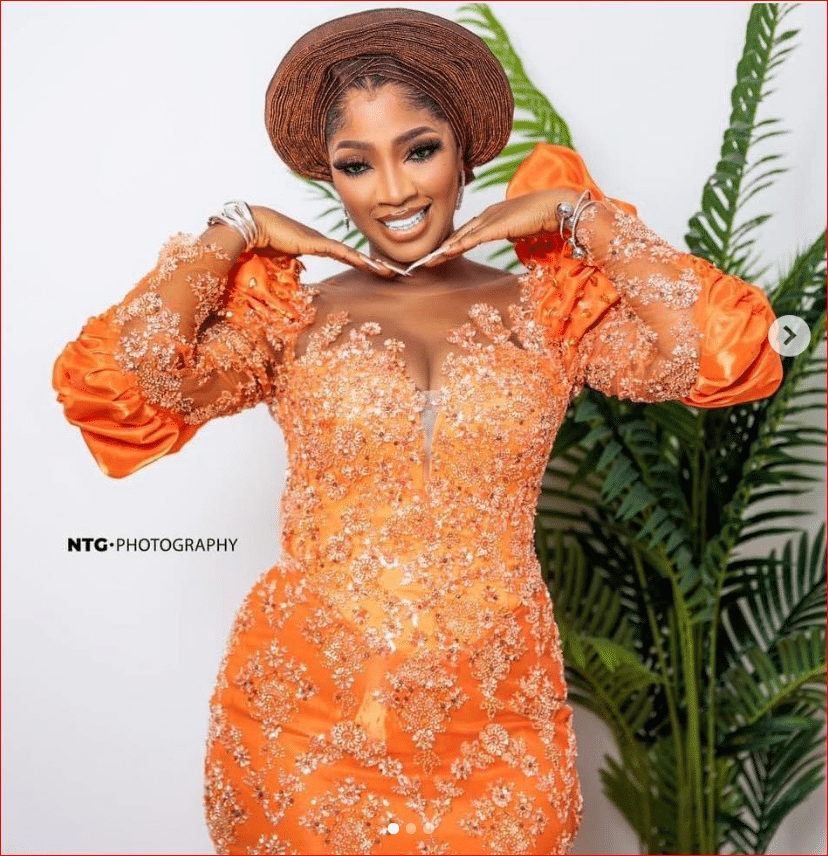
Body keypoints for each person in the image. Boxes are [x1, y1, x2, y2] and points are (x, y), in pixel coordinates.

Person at [51, 8, 784, 855]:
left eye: (420, 149)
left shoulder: (552, 313)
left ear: (465, 149)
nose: (393, 190)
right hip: (304, 713)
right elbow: (134, 378)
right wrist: (236, 229)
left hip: (502, 713)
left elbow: (714, 354)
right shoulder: (287, 318)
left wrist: (580, 214)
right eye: (355, 164)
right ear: (329, 176)